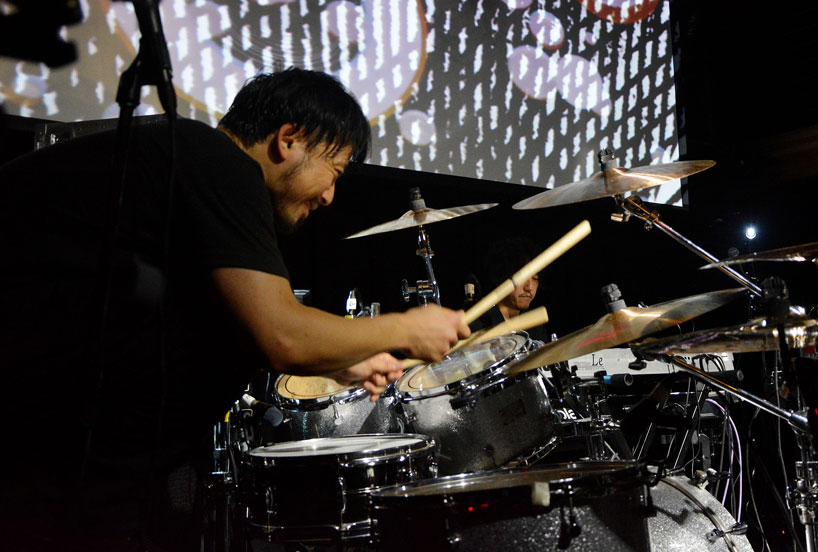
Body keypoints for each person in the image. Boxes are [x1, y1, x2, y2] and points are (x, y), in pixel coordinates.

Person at [0, 68, 469, 551]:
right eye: (336, 170)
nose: (330, 195)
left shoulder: (192, 162)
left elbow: (232, 325)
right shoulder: (220, 164)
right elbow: (280, 334)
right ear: (289, 139)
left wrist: (339, 358)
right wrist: (406, 327)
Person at [471, 237, 548, 342]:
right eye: (522, 278)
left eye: (535, 279)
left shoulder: (535, 326)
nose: (529, 287)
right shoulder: (481, 324)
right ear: (503, 277)